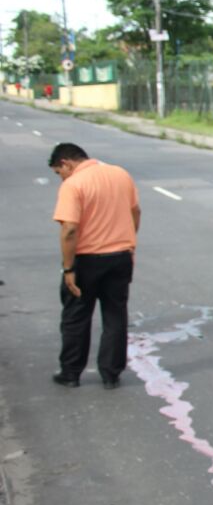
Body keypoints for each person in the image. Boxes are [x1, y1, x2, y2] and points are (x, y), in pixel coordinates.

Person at [48, 143, 141, 389]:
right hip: (120, 257)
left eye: (59, 172)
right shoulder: (120, 173)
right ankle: (111, 374)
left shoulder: (74, 184)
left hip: (86, 261)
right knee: (115, 315)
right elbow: (135, 212)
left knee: (76, 317)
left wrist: (68, 269)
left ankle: (70, 373)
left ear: (66, 163)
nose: (61, 178)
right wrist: (128, 243)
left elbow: (69, 229)